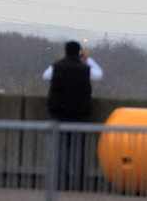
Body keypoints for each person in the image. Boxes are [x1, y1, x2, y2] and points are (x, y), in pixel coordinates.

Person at [42, 41, 103, 190]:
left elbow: (46, 75)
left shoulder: (58, 67)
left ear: (65, 52)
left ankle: (59, 181)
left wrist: (62, 59)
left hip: (59, 113)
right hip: (80, 114)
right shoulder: (85, 68)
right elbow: (99, 74)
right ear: (79, 53)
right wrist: (88, 58)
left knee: (60, 150)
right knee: (80, 151)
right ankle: (80, 182)